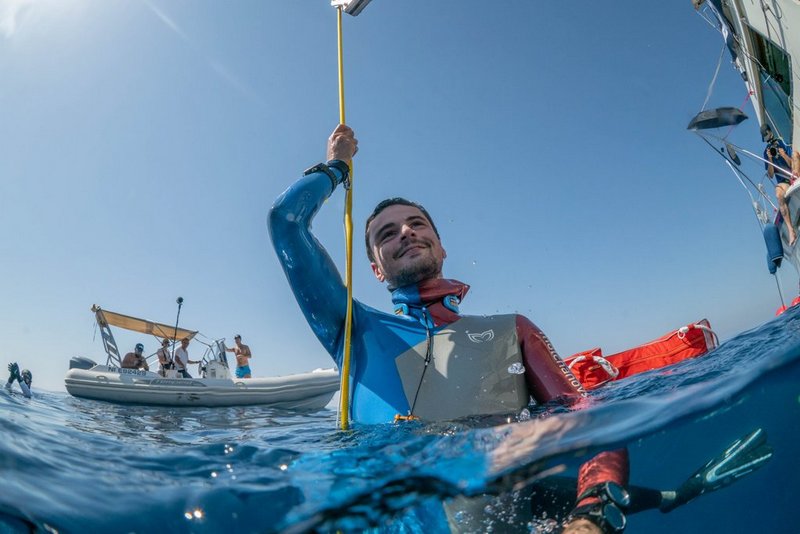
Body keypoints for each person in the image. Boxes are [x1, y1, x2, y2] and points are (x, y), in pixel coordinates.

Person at [269, 124, 628, 534]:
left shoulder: (513, 330)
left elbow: (587, 419)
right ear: (375, 269)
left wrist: (591, 514)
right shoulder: (354, 332)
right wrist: (337, 166)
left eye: (417, 224)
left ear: (441, 247)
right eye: (387, 234)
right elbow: (285, 223)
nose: (406, 232)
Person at [762, 123, 797, 245]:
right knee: (778, 195)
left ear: (771, 132)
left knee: (795, 155)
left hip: (793, 173)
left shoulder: (782, 142)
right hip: (784, 181)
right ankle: (790, 229)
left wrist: (783, 155)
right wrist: (770, 159)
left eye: (767, 134)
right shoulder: (766, 153)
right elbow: (771, 175)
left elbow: (793, 163)